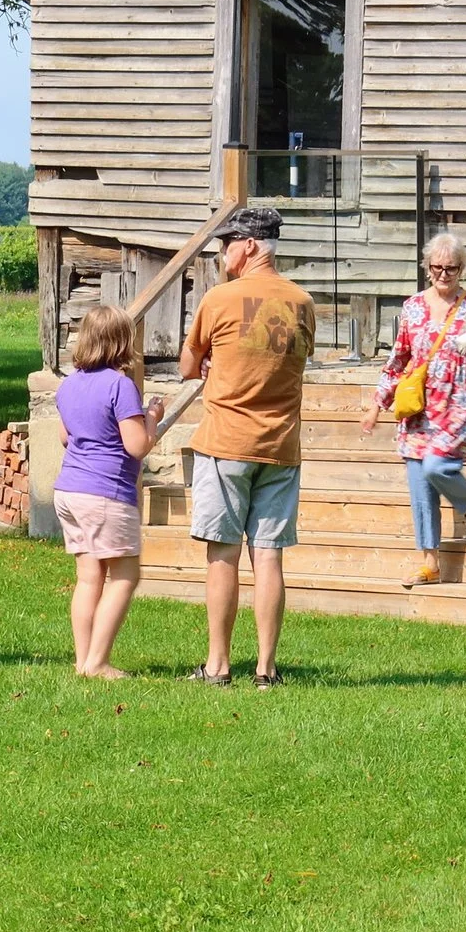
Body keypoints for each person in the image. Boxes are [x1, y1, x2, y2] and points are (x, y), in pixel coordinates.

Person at [179, 205, 314, 688]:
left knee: (223, 556)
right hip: (280, 446)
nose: (222, 252)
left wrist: (214, 364)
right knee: (270, 555)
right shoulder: (303, 303)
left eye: (227, 243)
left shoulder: (219, 300)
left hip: (226, 443)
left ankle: (217, 666)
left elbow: (187, 366)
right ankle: (266, 668)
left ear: (250, 245)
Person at [360, 232, 466, 586]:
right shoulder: (412, 307)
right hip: (420, 405)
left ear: (461, 269)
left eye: (451, 268)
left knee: (437, 466)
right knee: (419, 484)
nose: (443, 274)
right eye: (437, 267)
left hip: (461, 401)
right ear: (427, 267)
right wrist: (377, 404)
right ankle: (430, 562)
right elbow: (398, 360)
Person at [53, 304, 155, 679]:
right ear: (122, 343)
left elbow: (66, 437)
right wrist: (153, 419)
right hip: (106, 493)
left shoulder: (69, 384)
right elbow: (137, 446)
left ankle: (83, 661)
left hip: (69, 491)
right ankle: (97, 663)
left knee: (88, 578)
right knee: (125, 575)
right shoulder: (120, 385)